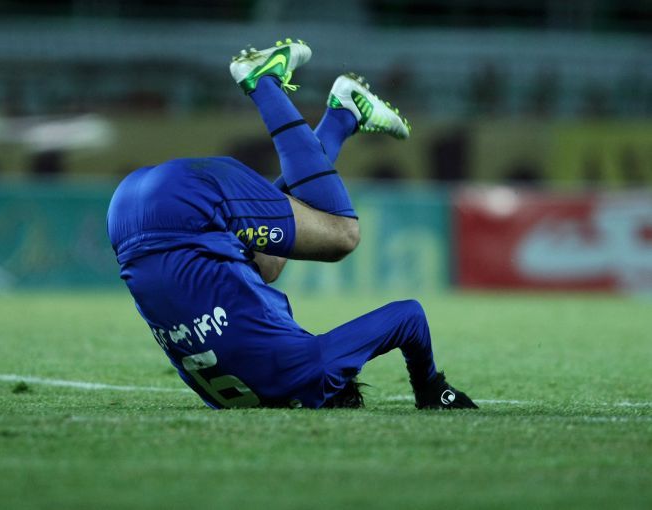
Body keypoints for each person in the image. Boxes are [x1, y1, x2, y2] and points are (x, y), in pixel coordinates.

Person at [107, 39, 477, 410]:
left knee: (340, 235)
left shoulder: (312, 373)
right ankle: (341, 116)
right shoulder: (229, 401)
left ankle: (266, 83)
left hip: (186, 202)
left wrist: (429, 387)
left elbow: (409, 316)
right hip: (126, 215)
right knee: (274, 261)